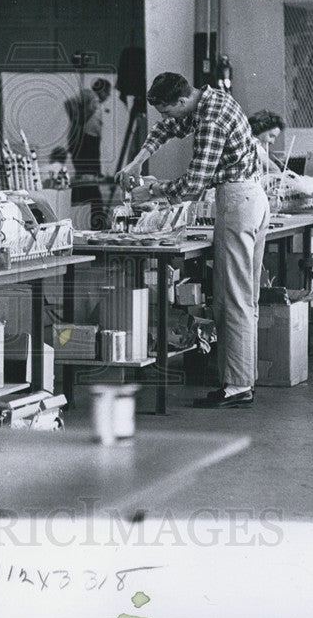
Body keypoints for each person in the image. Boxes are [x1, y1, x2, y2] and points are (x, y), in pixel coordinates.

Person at [117, 72, 269, 409]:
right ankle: (242, 378)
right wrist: (136, 161)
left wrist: (151, 189)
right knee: (245, 296)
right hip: (251, 197)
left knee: (233, 299)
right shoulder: (207, 101)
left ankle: (237, 385)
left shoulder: (210, 119)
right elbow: (168, 127)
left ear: (182, 101)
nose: (168, 120)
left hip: (238, 200)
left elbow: (192, 184)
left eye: (169, 111)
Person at [64, 77, 111, 227]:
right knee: (89, 180)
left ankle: (93, 215)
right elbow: (69, 104)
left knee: (89, 180)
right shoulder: (91, 96)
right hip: (86, 141)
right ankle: (95, 215)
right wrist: (80, 119)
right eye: (107, 93)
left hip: (89, 141)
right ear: (102, 90)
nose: (108, 97)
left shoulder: (92, 99)